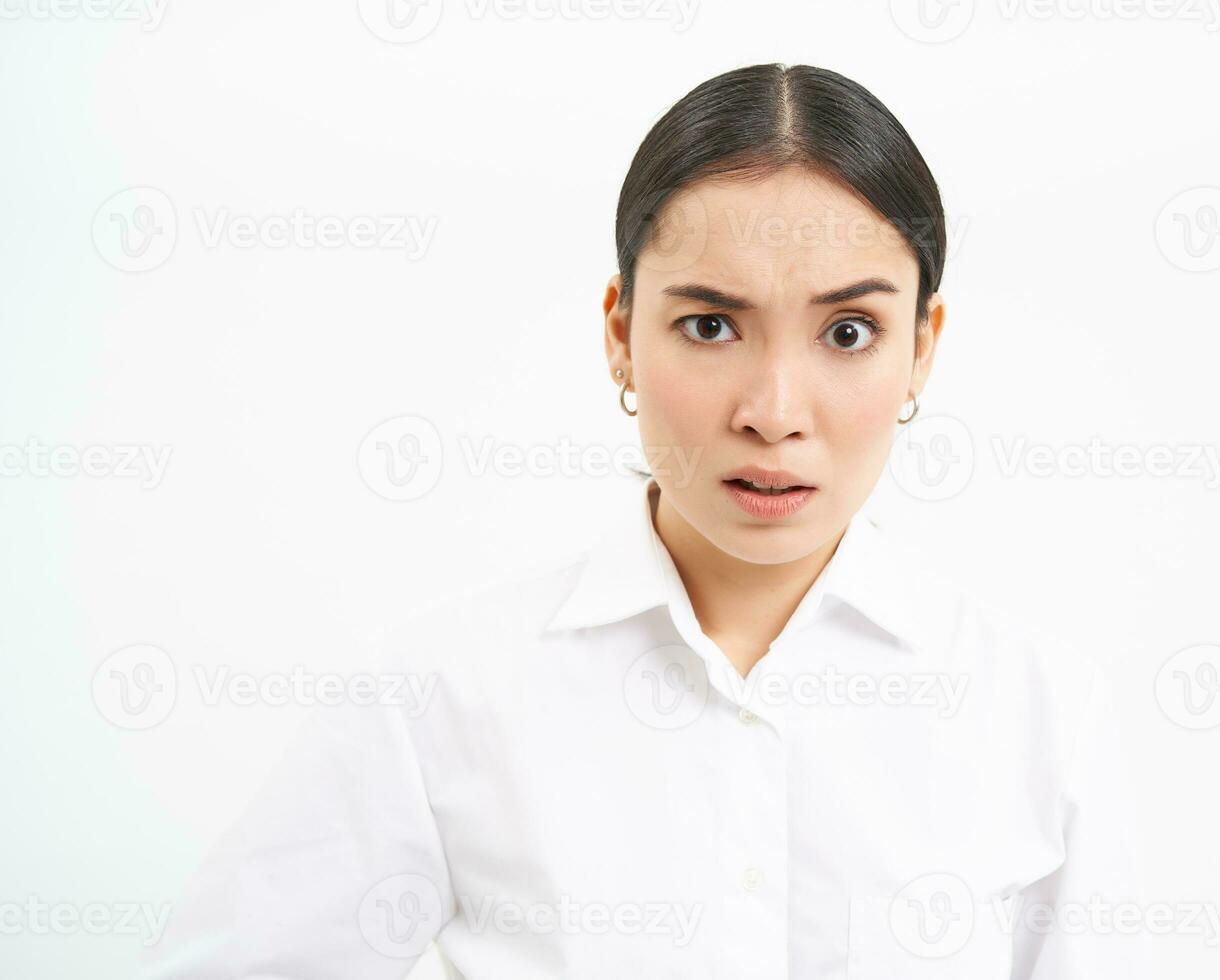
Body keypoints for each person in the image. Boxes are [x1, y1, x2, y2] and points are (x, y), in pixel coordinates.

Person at [144, 63, 1147, 979]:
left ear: (922, 346)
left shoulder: (1038, 714)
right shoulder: (443, 697)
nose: (774, 409)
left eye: (850, 331)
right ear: (620, 332)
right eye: (710, 324)